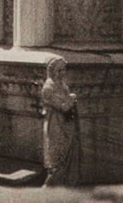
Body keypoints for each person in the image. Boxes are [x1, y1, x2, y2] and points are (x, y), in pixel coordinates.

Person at [41, 56, 80, 187]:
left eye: (63, 70)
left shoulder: (63, 85)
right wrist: (72, 99)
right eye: (59, 70)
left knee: (69, 156)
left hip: (66, 124)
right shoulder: (48, 88)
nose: (62, 73)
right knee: (57, 156)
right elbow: (63, 107)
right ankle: (49, 189)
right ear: (52, 71)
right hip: (55, 125)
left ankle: (66, 186)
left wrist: (70, 99)